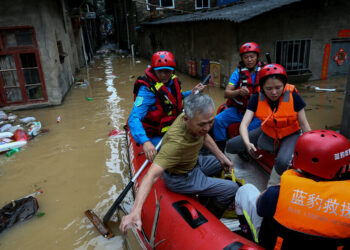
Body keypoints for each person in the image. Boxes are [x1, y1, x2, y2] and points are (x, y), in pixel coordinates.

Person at [120, 94, 239, 234]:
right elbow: (151, 175)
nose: (207, 127)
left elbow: (204, 135)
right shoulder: (175, 144)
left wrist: (221, 157)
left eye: (210, 122)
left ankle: (208, 193)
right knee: (231, 188)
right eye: (202, 124)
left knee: (221, 163)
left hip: (193, 161)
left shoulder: (193, 119)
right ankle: (211, 217)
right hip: (181, 178)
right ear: (186, 120)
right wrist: (135, 211)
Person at [234, 130, 350, 249]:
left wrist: (283, 185)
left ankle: (247, 237)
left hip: (274, 244)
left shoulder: (278, 193)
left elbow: (260, 206)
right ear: (342, 170)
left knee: (245, 190)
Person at [226, 63, 311, 186]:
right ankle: (232, 168)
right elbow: (244, 124)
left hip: (290, 133)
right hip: (268, 130)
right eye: (269, 89)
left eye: (278, 87)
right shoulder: (256, 97)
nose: (274, 92)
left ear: (284, 85)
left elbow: (304, 124)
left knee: (282, 162)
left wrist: (309, 148)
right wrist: (247, 143)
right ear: (262, 86)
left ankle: (270, 187)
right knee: (231, 145)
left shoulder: (293, 96)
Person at [129, 51, 205, 162]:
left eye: (167, 71)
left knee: (199, 135)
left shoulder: (172, 81)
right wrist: (145, 142)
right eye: (160, 71)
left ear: (172, 70)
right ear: (154, 70)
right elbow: (134, 118)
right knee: (173, 151)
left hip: (172, 126)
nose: (164, 75)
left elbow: (176, 99)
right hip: (155, 133)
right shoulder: (146, 91)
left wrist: (192, 92)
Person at [213, 42, 263, 152]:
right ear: (242, 59)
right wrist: (238, 91)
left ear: (257, 57)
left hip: (257, 111)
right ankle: (220, 148)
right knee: (218, 120)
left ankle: (246, 149)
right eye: (246, 57)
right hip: (238, 109)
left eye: (252, 57)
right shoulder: (237, 73)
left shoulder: (264, 72)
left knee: (249, 129)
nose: (249, 60)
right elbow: (226, 93)